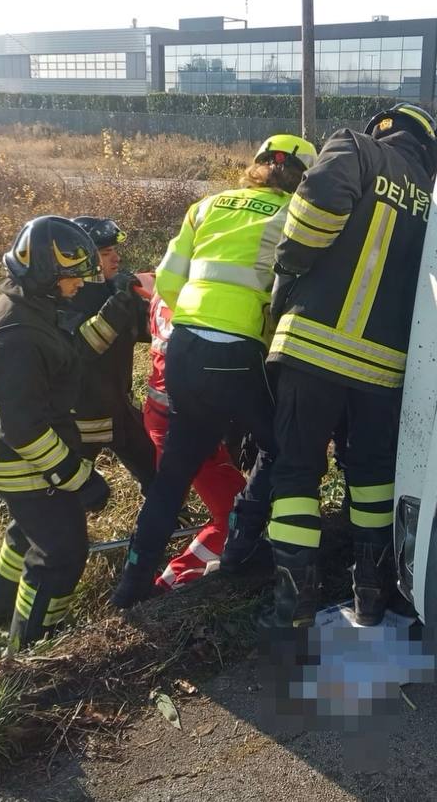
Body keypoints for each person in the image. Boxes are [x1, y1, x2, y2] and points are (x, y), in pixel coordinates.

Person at [110, 134, 319, 608]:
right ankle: (244, 542)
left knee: (174, 474)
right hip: (238, 352)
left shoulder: (206, 206)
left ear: (257, 165)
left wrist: (198, 320)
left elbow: (167, 281)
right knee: (280, 447)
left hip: (184, 348)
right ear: (304, 179)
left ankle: (132, 585)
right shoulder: (294, 215)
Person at [264, 103, 437, 627]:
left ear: (382, 129)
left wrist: (290, 265)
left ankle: (293, 607)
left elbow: (315, 207)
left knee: (297, 471)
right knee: (372, 476)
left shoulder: (357, 149)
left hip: (313, 348)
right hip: (383, 370)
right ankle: (372, 596)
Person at [0, 215, 133, 650]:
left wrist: (116, 310)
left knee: (28, 532)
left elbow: (72, 353)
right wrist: (78, 478)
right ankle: (33, 647)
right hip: (19, 461)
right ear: (45, 274)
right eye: (72, 276)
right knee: (61, 554)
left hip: (12, 453)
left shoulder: (31, 307)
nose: (80, 284)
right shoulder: (19, 338)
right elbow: (23, 429)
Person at [132, 272, 250, 590]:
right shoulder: (207, 302)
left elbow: (146, 280)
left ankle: (150, 577)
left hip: (164, 416)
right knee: (237, 512)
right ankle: (171, 582)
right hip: (184, 423)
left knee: (171, 504)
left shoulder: (169, 285)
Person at [61, 216, 155, 491]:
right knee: (71, 489)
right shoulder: (66, 297)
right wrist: (120, 299)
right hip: (81, 419)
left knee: (156, 472)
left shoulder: (114, 290)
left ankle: (168, 514)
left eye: (114, 251)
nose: (116, 258)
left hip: (120, 409)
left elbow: (147, 331)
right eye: (105, 253)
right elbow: (85, 348)